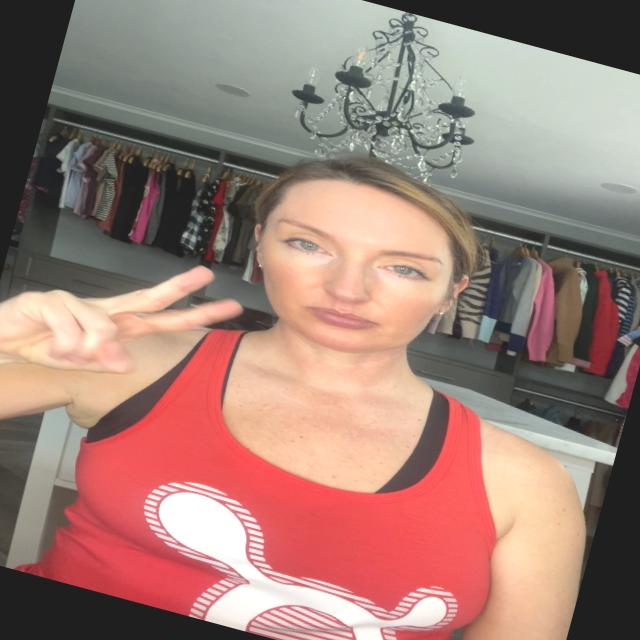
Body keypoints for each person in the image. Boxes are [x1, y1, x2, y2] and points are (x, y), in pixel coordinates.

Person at [1, 157, 585, 639]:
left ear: (450, 293)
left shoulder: (526, 483)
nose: (347, 289)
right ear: (260, 244)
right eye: (308, 244)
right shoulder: (132, 358)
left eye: (404, 269)